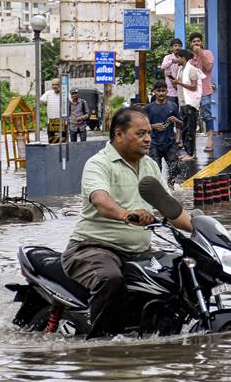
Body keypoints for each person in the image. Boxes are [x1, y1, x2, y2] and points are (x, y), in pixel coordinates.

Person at [61, 106, 194, 338]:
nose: (148, 139)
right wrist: (126, 214)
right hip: (93, 248)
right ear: (119, 134)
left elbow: (171, 210)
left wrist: (203, 230)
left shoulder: (150, 166)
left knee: (181, 272)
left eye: (149, 133)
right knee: (111, 279)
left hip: (139, 251)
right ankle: (101, 343)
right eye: (140, 133)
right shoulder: (99, 163)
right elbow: (101, 201)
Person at [144, 81, 184, 187]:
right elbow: (141, 126)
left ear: (167, 91)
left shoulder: (173, 106)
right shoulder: (148, 108)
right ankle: (159, 189)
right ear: (154, 92)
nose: (161, 93)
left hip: (170, 142)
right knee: (155, 169)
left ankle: (171, 185)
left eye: (163, 91)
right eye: (158, 91)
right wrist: (152, 126)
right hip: (154, 143)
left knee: (174, 167)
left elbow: (181, 124)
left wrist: (176, 120)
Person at [169, 48, 203, 161]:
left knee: (190, 130)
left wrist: (179, 82)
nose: (176, 59)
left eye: (178, 57)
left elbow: (193, 86)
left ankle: (191, 153)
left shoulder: (192, 70)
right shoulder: (181, 70)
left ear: (183, 58)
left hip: (190, 104)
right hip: (183, 103)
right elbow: (178, 86)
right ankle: (187, 151)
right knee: (184, 128)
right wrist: (173, 80)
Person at [188, 33, 215, 153]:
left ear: (201, 42)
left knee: (207, 115)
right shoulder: (188, 57)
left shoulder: (207, 53)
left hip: (204, 90)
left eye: (198, 41)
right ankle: (191, 142)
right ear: (190, 44)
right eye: (194, 42)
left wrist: (200, 53)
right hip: (191, 92)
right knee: (190, 116)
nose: (196, 43)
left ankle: (210, 139)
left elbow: (208, 67)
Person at [40, 77, 66, 143]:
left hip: (62, 121)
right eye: (53, 84)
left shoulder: (65, 93)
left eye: (56, 84)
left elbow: (72, 103)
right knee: (52, 142)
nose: (54, 86)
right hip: (51, 121)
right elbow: (40, 102)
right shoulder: (48, 93)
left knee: (63, 142)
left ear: (60, 85)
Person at [159, 38, 183, 105]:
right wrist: (172, 61)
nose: (177, 48)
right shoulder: (167, 57)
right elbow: (162, 67)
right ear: (171, 47)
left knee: (181, 113)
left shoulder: (184, 58)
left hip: (182, 91)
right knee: (170, 112)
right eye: (175, 46)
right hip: (170, 92)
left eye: (179, 46)